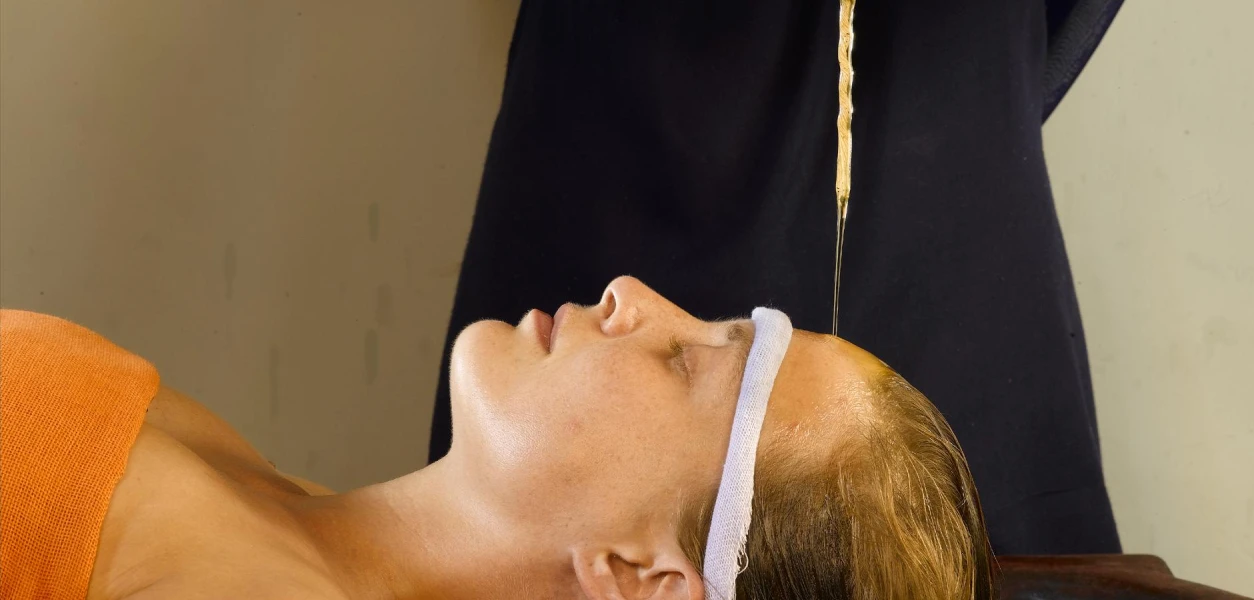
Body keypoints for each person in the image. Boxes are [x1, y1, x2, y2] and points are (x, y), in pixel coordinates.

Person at [431, 0, 1124, 555]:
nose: (627, 295)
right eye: (687, 353)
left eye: (685, 355)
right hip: (641, 108)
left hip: (936, 112)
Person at [2, 277, 993, 599]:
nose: (632, 297)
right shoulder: (288, 516)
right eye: (706, 323)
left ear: (638, 575)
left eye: (683, 364)